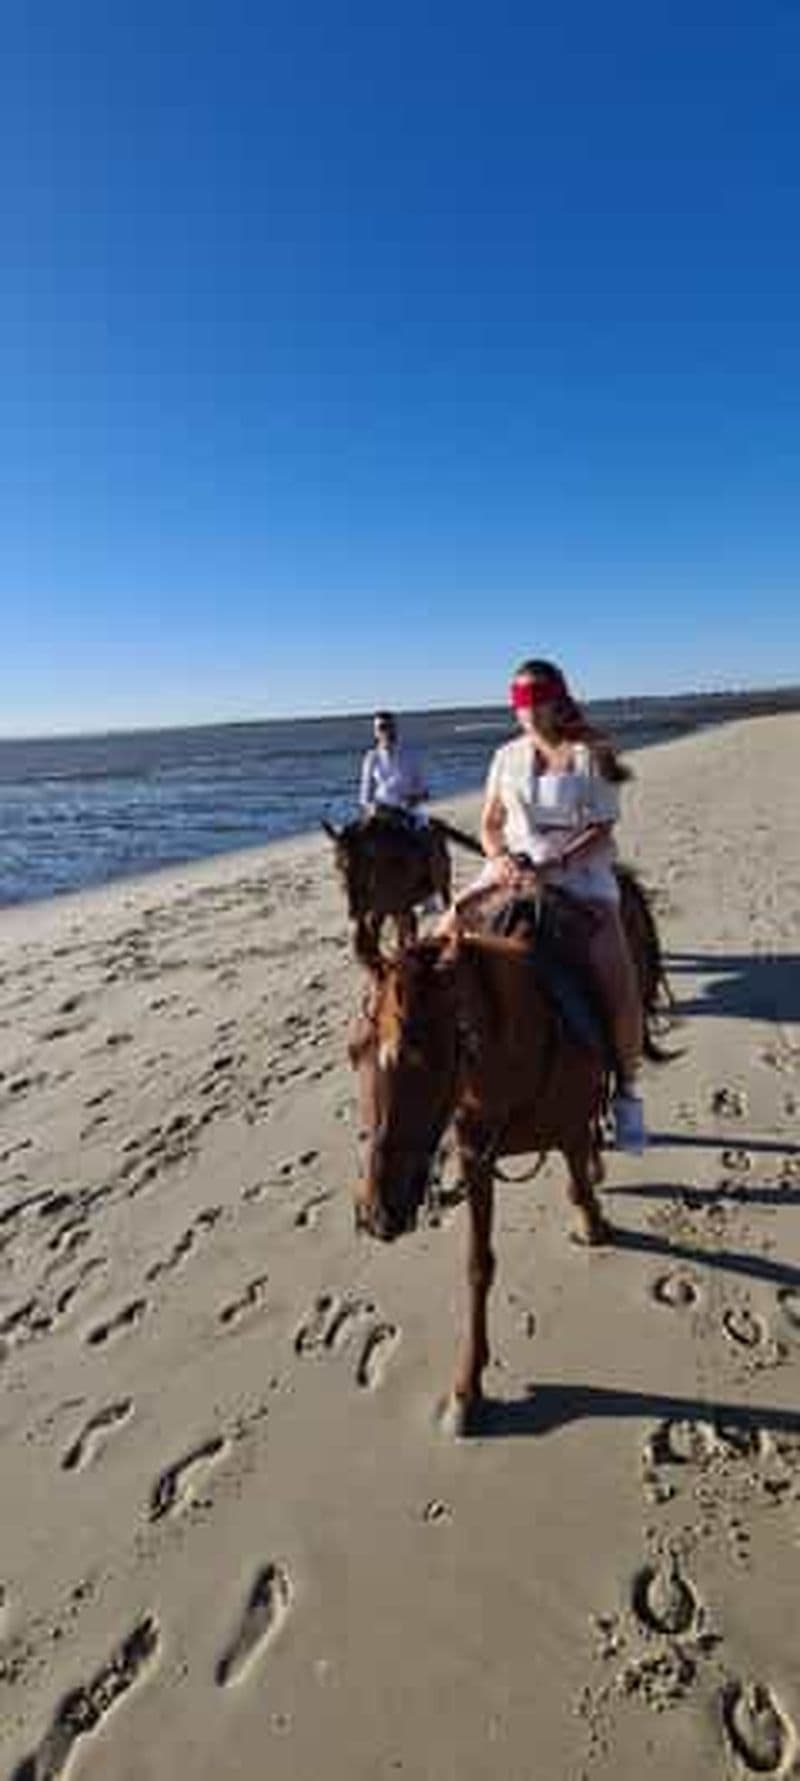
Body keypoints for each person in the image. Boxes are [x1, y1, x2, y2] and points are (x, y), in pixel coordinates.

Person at [442, 658, 646, 1153]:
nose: (528, 711)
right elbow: (490, 823)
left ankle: (626, 1088)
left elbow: (601, 829)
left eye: (536, 700)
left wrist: (555, 867)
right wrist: (502, 859)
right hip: (513, 866)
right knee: (444, 932)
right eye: (519, 702)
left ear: (558, 699)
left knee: (614, 976)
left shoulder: (589, 753)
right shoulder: (505, 756)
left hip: (580, 873)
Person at [359, 711, 429, 824]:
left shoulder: (411, 755)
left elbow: (424, 792)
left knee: (419, 834)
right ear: (376, 733)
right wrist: (371, 808)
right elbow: (364, 797)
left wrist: (413, 799)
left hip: (409, 812)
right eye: (382, 727)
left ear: (395, 729)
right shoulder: (371, 757)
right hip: (381, 812)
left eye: (390, 726)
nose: (387, 731)